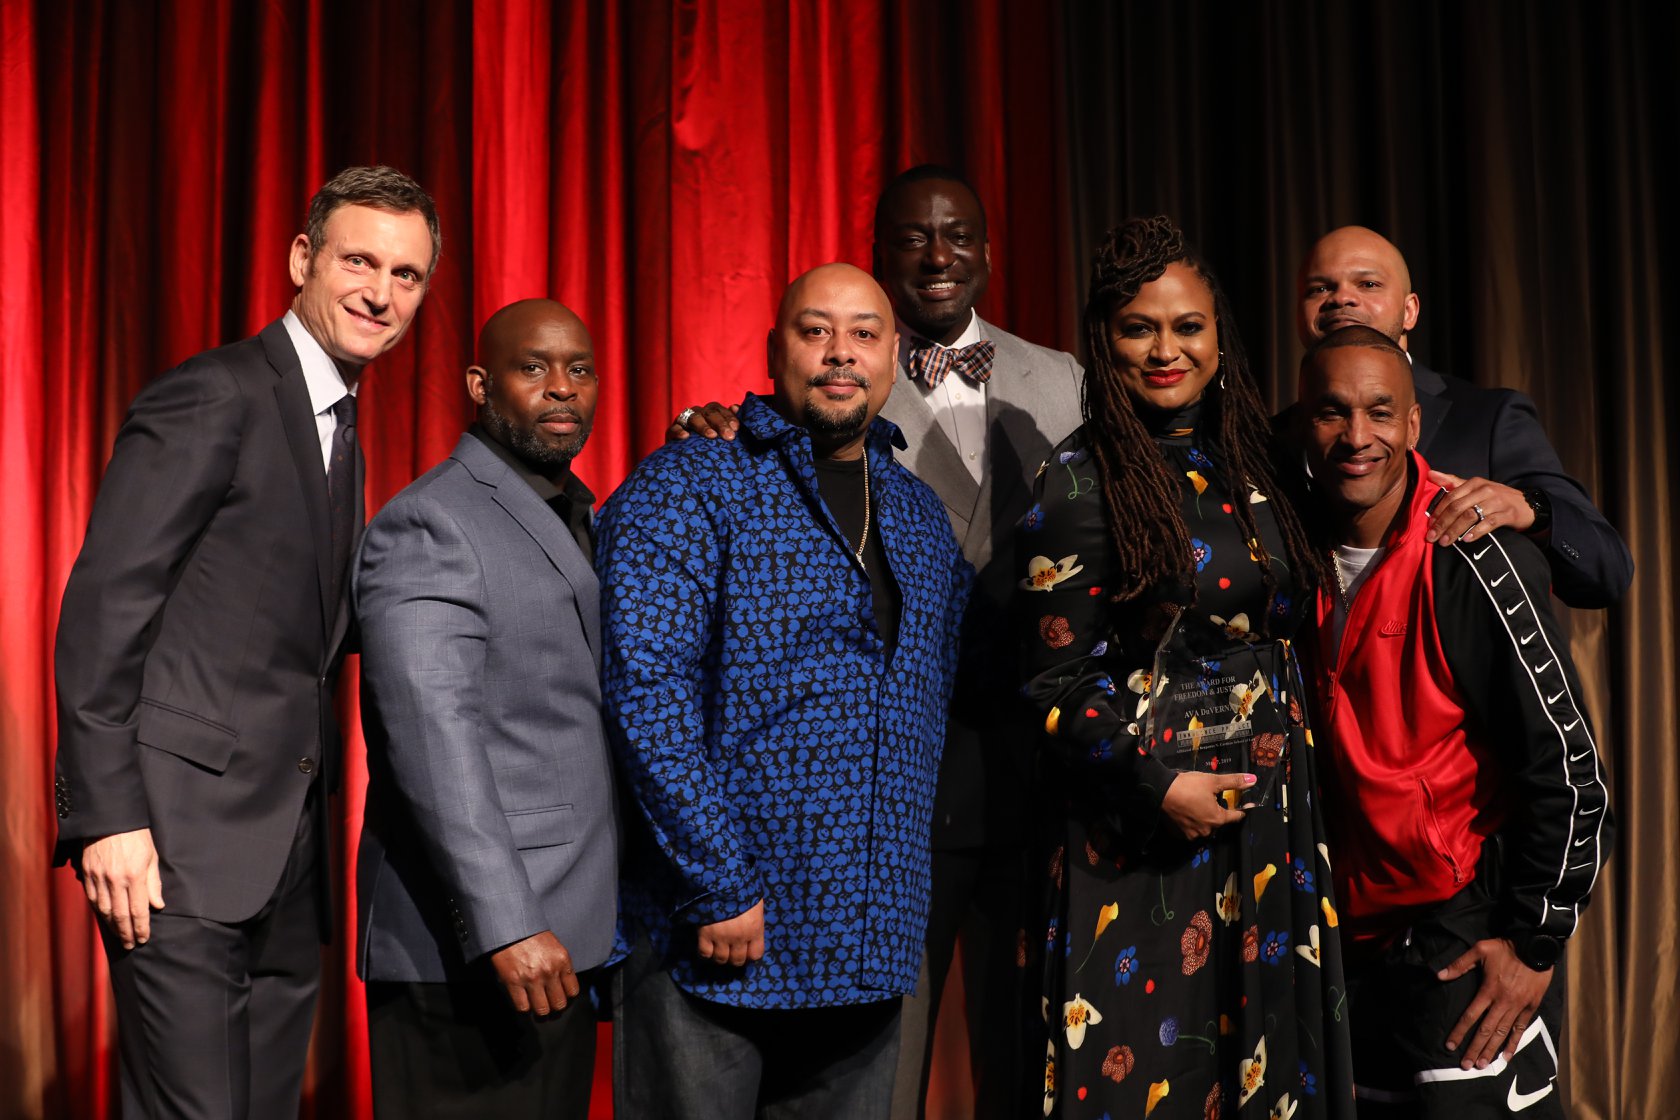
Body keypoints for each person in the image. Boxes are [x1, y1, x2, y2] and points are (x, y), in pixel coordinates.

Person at [669, 166, 1085, 1117]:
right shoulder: (830, 387)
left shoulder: (1060, 380)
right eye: (911, 238)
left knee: (1032, 1060)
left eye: (959, 236)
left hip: (1039, 771)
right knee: (872, 1070)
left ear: (988, 248)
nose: (938, 258)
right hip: (884, 801)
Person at [52, 165, 439, 1118]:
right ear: (303, 258)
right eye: (358, 260)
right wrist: (107, 818)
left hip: (284, 858)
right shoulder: (215, 395)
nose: (379, 293)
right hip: (174, 849)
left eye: (407, 275)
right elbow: (104, 611)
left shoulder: (344, 422)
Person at [599, 263, 970, 1118]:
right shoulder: (690, 484)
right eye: (815, 331)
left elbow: (955, 685)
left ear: (893, 359)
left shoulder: (915, 514)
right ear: (774, 350)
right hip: (719, 941)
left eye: (865, 334)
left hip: (868, 945)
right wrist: (718, 883)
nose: (840, 354)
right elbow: (647, 695)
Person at [1018, 216, 1354, 1119]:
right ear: (1106, 340)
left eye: (1188, 326)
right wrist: (1157, 788)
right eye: (1139, 328)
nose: (1166, 349)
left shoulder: (1261, 459)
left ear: (1219, 335)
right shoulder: (1078, 481)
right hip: (1143, 842)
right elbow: (1054, 686)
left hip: (1269, 832)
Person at [1294, 326, 1611, 1117]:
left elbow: (1569, 768)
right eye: (1333, 413)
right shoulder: (1285, 551)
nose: (1356, 436)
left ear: (1411, 425)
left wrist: (1534, 944)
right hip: (1341, 935)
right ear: (1305, 422)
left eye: (1378, 412)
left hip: (1459, 931)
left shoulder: (1472, 551)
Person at [352, 299, 619, 1118]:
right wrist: (506, 925)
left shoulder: (582, 512)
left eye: (578, 370)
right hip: (470, 949)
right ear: (480, 383)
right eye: (532, 368)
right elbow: (432, 738)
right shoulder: (433, 521)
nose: (561, 389)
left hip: (568, 933)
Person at [1292, 225, 1631, 608]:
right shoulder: (1270, 438)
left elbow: (1608, 571)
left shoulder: (1489, 418)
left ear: (1409, 310)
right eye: (1319, 288)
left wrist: (1530, 510)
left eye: (1368, 284)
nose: (1341, 299)